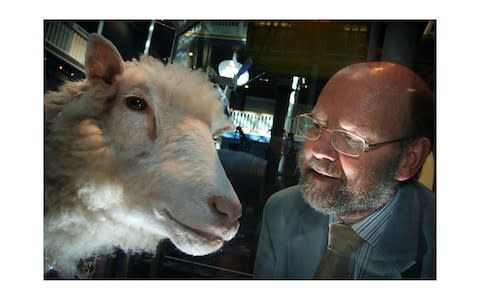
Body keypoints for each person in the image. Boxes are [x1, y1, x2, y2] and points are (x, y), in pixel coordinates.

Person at [253, 61, 435, 279]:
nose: (318, 150)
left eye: (350, 138)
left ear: (408, 160)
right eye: (317, 126)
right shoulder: (282, 210)